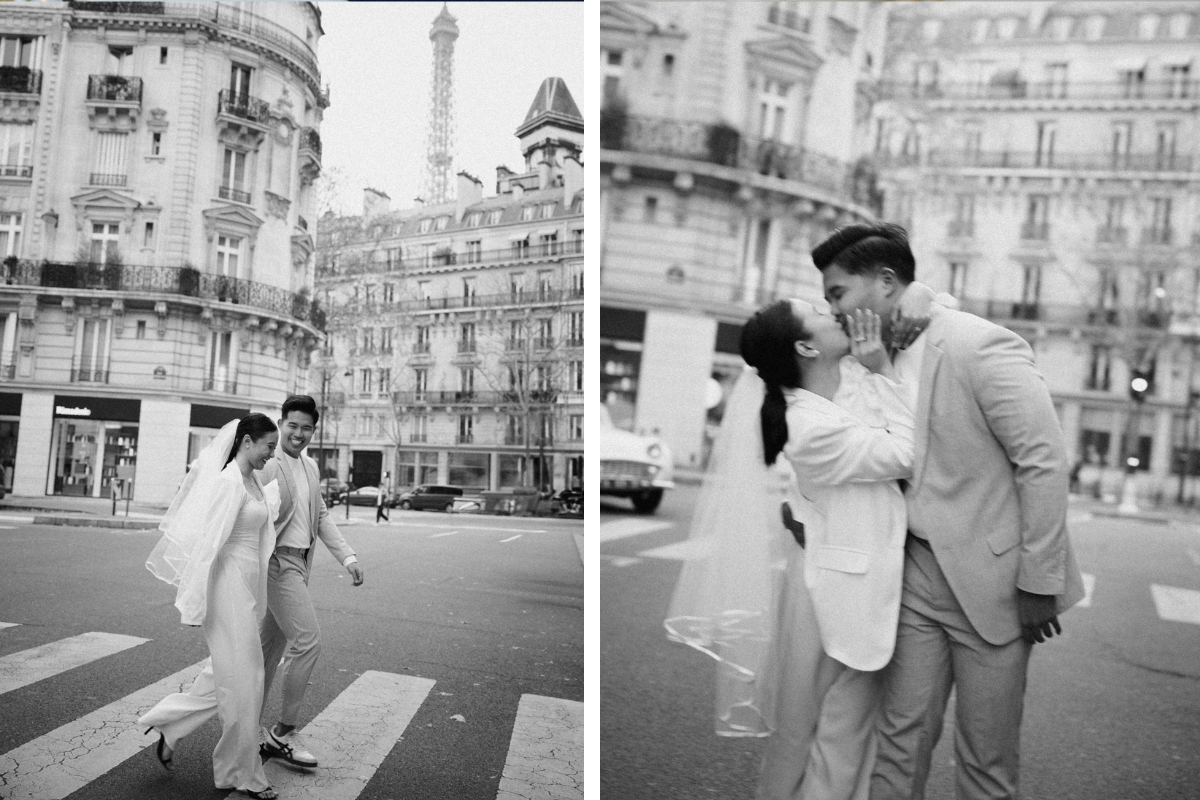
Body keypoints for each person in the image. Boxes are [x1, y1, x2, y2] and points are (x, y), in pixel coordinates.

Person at [811, 222, 1085, 800]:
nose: (831, 307)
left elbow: (1042, 460)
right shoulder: (865, 358)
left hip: (997, 587)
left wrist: (1039, 578)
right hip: (912, 577)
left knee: (985, 761)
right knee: (899, 744)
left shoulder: (978, 343)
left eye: (838, 293)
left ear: (886, 283)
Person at [666, 294, 929, 800]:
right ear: (806, 347)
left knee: (836, 734)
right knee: (827, 735)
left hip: (847, 581)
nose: (837, 313)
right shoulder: (807, 427)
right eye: (822, 313)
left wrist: (915, 302)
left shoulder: (840, 385)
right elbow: (911, 453)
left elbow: (925, 305)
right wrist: (884, 368)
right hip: (836, 594)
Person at [140, 414, 282, 800]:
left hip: (248, 586)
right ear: (248, 441)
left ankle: (169, 724)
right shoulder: (226, 483)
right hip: (227, 588)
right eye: (269, 445)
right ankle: (242, 775)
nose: (273, 453)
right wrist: (194, 602)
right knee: (246, 681)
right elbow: (206, 548)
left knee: (223, 675)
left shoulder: (254, 480)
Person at [257, 395, 363, 769]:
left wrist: (347, 556)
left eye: (306, 428)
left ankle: (180, 720)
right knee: (308, 642)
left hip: (300, 564)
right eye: (292, 425)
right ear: (281, 423)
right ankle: (283, 734)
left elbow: (319, 514)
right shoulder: (268, 463)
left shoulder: (310, 466)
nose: (298, 433)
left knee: (263, 653)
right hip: (277, 564)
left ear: (313, 431)